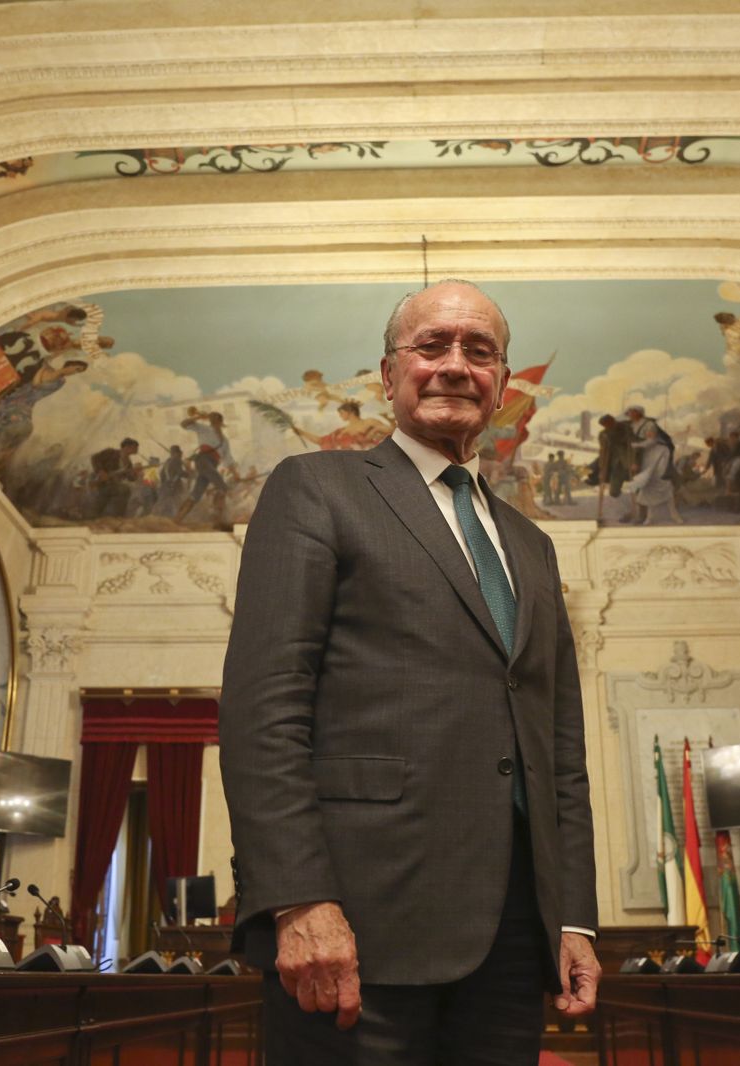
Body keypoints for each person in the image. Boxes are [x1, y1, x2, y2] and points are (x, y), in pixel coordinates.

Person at [219, 279, 599, 1066]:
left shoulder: (532, 544)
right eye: (432, 346)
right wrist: (299, 900)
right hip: (359, 925)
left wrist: (574, 917)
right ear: (388, 375)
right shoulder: (316, 489)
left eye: (480, 351)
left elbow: (558, 748)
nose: (456, 365)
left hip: (512, 938)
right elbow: (265, 710)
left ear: (501, 383)